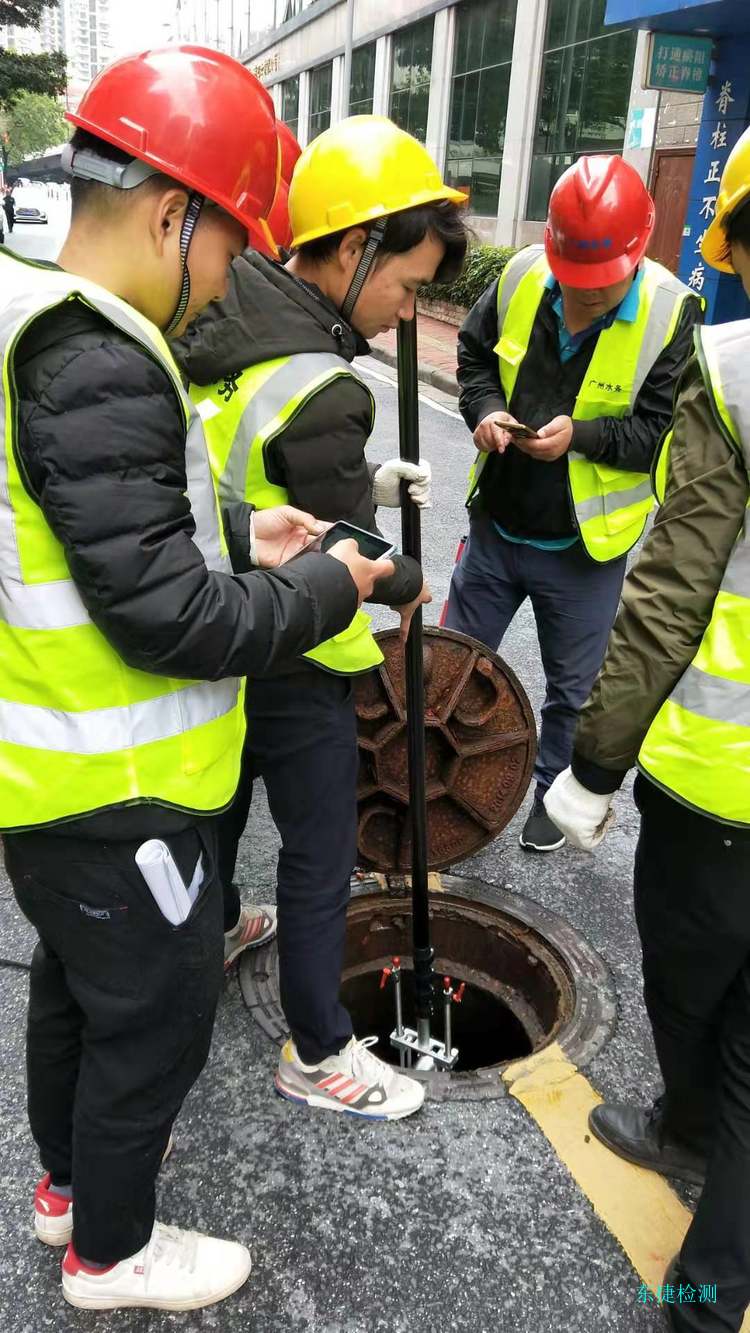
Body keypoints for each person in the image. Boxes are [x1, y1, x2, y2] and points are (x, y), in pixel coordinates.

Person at [0, 46, 395, 1314]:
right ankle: (112, 1253)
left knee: (76, 985)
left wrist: (244, 535)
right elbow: (169, 615)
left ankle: (66, 1186)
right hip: (115, 785)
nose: (230, 276)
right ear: (175, 215)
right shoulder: (101, 354)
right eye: (229, 244)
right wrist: (328, 587)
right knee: (156, 1015)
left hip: (54, 778)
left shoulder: (42, 328)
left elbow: (100, 533)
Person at [173, 115, 468, 1120]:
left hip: (218, 627)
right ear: (353, 250)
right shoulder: (328, 380)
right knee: (314, 853)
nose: (402, 310)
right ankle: (319, 1046)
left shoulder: (224, 317)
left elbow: (268, 479)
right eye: (403, 282)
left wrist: (366, 485)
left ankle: (213, 931)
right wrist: (403, 574)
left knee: (215, 809)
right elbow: (344, 545)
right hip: (301, 653)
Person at [544, 127, 750, 1333]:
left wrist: (591, 764)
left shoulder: (731, 366)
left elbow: (673, 592)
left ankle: (704, 1263)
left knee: (691, 977)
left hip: (719, 786)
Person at [443, 155, 703, 853]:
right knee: (454, 663)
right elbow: (471, 356)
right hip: (496, 523)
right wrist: (488, 409)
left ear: (636, 253)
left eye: (600, 287)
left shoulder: (672, 314)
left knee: (575, 687)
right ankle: (438, 777)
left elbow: (661, 433)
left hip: (585, 550)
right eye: (574, 283)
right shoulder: (525, 272)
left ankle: (550, 793)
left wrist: (580, 438)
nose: (584, 299)